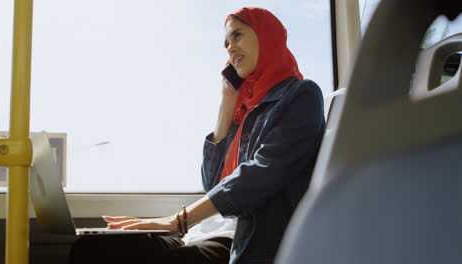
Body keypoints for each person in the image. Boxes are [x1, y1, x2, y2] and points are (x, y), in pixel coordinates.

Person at [68, 7, 325, 264]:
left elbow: (261, 174)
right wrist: (227, 100)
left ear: (267, 36)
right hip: (202, 232)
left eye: (237, 36)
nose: (230, 48)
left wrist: (177, 220)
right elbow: (211, 183)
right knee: (92, 248)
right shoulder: (243, 109)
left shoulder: (301, 96)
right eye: (226, 43)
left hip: (243, 241)